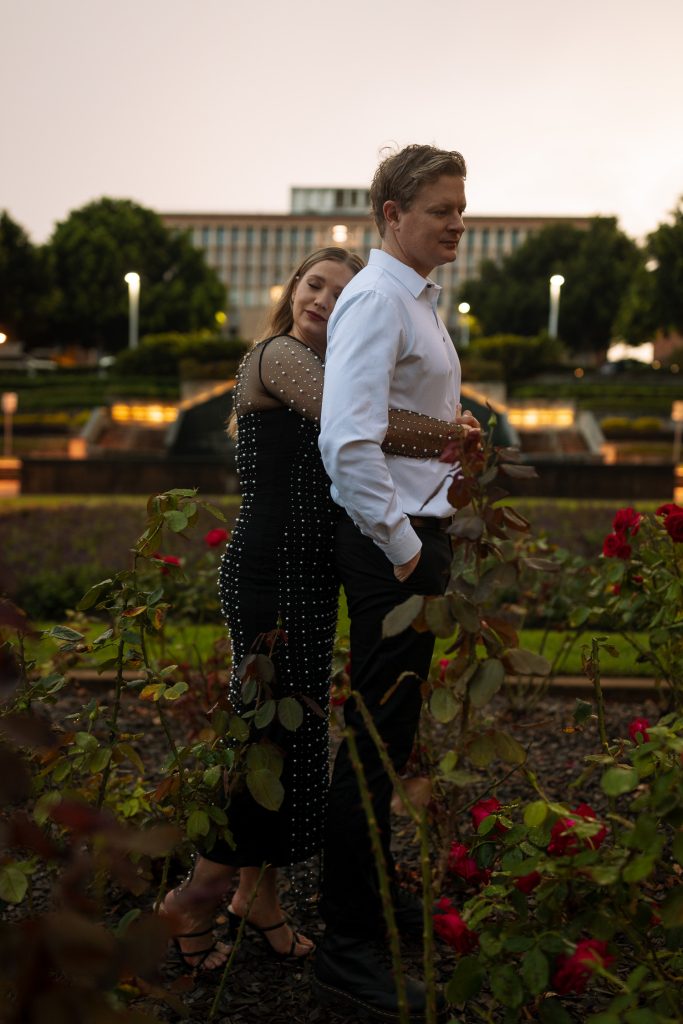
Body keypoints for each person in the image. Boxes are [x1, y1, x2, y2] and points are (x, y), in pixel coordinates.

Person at [159, 247, 466, 972]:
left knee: (295, 745)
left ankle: (256, 900)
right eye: (313, 283)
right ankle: (192, 900)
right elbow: (355, 418)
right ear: (291, 288)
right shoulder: (274, 356)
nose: (322, 299)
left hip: (307, 576)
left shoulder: (337, 368)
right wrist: (452, 435)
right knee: (265, 738)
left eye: (340, 291)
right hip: (267, 573)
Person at [315, 146, 477, 1021]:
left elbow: (385, 415)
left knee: (390, 736)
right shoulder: (378, 296)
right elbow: (346, 440)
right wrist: (405, 553)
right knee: (373, 749)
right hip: (393, 548)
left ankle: (370, 908)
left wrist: (453, 424)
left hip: (412, 538)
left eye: (461, 207)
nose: (457, 221)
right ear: (390, 213)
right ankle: (346, 947)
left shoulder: (413, 299)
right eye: (440, 208)